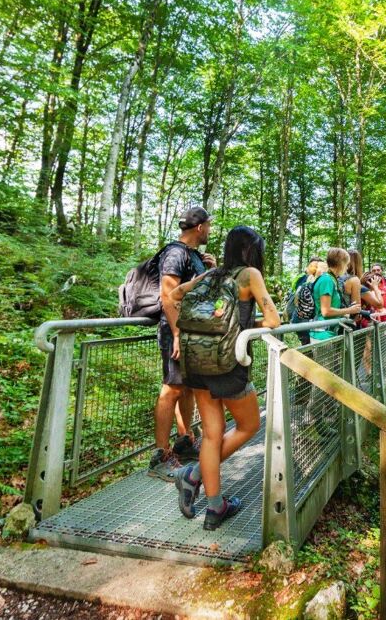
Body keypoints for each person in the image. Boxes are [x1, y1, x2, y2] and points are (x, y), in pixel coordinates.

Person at [172, 226, 281, 530]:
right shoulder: (249, 275)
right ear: (252, 251)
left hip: (197, 364)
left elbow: (175, 295)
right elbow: (274, 320)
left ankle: (211, 500)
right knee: (248, 425)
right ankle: (194, 477)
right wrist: (244, 322)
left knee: (211, 433)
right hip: (228, 365)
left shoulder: (212, 275)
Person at [148, 207, 216, 480]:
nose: (210, 230)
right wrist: (177, 333)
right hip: (177, 330)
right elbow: (168, 296)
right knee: (172, 389)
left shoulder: (194, 256)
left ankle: (184, 441)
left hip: (192, 330)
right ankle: (160, 457)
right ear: (200, 227)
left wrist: (209, 269)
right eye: (209, 226)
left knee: (186, 387)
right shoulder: (175, 253)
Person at [310, 247, 361, 341]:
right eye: (346, 264)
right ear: (341, 264)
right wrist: (349, 310)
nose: (346, 268)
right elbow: (326, 311)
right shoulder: (327, 280)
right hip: (323, 335)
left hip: (329, 332)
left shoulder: (331, 279)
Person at [343, 249, 382, 329]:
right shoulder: (355, 282)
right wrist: (375, 287)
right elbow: (379, 304)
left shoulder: (340, 279)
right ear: (358, 264)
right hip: (350, 325)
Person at [291, 256, 324, 345]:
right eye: (313, 266)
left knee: (307, 346)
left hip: (301, 318)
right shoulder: (306, 280)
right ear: (308, 267)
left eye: (318, 266)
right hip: (303, 319)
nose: (315, 268)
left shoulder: (308, 279)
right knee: (307, 346)